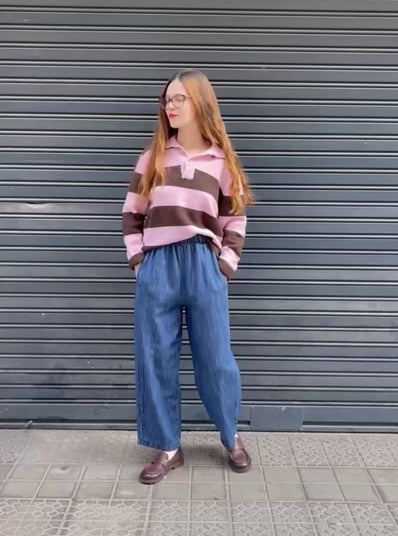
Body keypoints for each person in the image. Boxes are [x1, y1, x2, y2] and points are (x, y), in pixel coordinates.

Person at [122, 68, 255, 485]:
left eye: (180, 98)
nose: (171, 105)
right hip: (158, 265)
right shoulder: (154, 158)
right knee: (155, 358)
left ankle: (230, 435)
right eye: (167, 99)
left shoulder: (222, 163)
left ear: (201, 103)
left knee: (216, 359)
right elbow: (132, 213)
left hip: (203, 264)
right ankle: (167, 446)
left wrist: (225, 265)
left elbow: (235, 219)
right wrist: (140, 262)